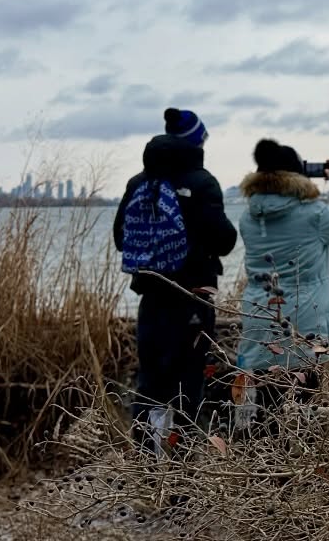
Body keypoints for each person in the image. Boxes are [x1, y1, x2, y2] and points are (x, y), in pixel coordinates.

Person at [113, 108, 237, 452]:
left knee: (150, 380)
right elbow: (224, 240)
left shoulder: (140, 182)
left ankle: (146, 460)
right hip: (192, 299)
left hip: (151, 299)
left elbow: (121, 238)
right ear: (196, 143)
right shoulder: (201, 182)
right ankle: (181, 467)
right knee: (188, 383)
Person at [236, 139, 329, 429]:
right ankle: (300, 466)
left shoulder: (249, 217)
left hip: (260, 315)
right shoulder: (313, 215)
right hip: (304, 325)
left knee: (263, 402)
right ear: (296, 177)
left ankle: (264, 465)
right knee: (301, 404)